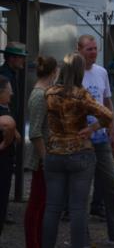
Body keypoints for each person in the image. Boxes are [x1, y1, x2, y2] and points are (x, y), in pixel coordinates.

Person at [42, 53, 113, 248]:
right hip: (79, 151)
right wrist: (91, 129)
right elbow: (108, 115)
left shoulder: (49, 92)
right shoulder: (81, 94)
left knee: (52, 208)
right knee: (78, 209)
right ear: (80, 71)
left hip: (54, 152)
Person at [77, 34, 114, 245]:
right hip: (80, 139)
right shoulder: (73, 73)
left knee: (111, 183)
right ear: (79, 50)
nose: (93, 52)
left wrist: (113, 130)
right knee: (82, 189)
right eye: (89, 49)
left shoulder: (101, 72)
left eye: (95, 49)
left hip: (101, 137)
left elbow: (107, 103)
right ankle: (82, 236)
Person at [25, 56, 58, 248]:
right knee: (37, 203)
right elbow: (36, 131)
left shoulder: (44, 92)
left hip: (45, 155)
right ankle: (33, 243)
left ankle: (39, 241)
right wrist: (45, 159)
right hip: (41, 157)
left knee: (43, 202)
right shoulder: (39, 95)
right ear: (54, 71)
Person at [0, 74, 21, 237]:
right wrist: (5, 143)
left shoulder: (5, 106)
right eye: (9, 91)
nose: (11, 94)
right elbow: (8, 124)